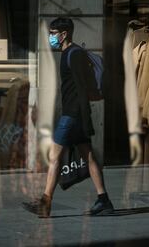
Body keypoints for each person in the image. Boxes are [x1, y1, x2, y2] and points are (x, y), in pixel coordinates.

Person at [23, 18, 113, 217]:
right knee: (89, 157)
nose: (51, 37)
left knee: (55, 157)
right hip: (75, 115)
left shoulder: (74, 54)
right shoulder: (68, 54)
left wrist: (85, 120)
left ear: (64, 34)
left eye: (54, 33)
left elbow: (81, 89)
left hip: (72, 116)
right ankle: (104, 200)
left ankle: (45, 203)